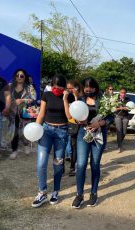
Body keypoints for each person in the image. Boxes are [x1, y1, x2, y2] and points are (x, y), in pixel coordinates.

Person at [32, 74, 71, 208]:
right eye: (55, 87)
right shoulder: (46, 95)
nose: (57, 90)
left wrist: (65, 98)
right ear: (51, 85)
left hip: (62, 132)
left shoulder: (68, 96)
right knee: (41, 163)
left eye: (60, 88)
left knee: (58, 164)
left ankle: (55, 191)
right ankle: (42, 192)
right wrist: (36, 129)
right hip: (46, 131)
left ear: (64, 87)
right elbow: (41, 113)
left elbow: (69, 116)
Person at [71, 77, 108, 209]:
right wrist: (78, 120)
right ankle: (79, 195)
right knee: (81, 164)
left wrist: (100, 123)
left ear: (95, 87)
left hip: (98, 134)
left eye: (90, 87)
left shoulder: (103, 99)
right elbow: (74, 115)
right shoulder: (80, 99)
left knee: (95, 164)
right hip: (83, 133)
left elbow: (110, 117)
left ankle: (93, 193)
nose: (88, 90)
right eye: (86, 87)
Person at [9, 69, 37, 159]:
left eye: (21, 76)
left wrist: (22, 100)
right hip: (12, 113)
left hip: (24, 113)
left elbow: (34, 98)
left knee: (24, 131)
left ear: (25, 77)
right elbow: (5, 97)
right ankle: (14, 151)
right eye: (17, 75)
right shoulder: (10, 86)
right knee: (14, 132)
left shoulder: (29, 87)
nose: (19, 77)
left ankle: (26, 144)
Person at [64, 79, 82, 176]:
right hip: (70, 123)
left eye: (71, 88)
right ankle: (69, 166)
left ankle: (73, 167)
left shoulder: (81, 97)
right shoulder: (66, 97)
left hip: (80, 124)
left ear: (76, 87)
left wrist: (76, 97)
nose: (69, 90)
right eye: (68, 88)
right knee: (71, 145)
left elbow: (78, 109)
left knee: (76, 146)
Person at [114, 87, 131, 152]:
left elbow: (130, 107)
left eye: (124, 93)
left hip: (125, 117)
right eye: (122, 93)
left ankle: (119, 142)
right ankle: (119, 146)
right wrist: (120, 108)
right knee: (119, 131)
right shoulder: (116, 99)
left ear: (125, 93)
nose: (123, 94)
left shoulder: (128, 99)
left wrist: (127, 108)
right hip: (117, 116)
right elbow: (113, 108)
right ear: (119, 92)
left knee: (124, 132)